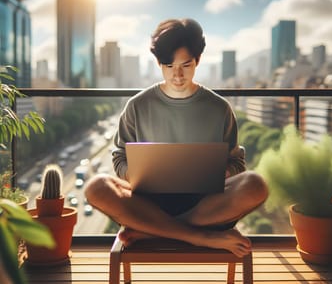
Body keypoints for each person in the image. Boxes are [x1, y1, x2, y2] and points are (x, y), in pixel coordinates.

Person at [85, 18, 268, 257]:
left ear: (198, 61)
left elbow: (237, 163)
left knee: (255, 184)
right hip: (149, 204)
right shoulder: (137, 106)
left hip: (204, 205)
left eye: (186, 65)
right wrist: (134, 175)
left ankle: (154, 231)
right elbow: (119, 157)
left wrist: (216, 173)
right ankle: (200, 237)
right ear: (159, 64)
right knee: (97, 187)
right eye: (169, 66)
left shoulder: (219, 108)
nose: (178, 75)